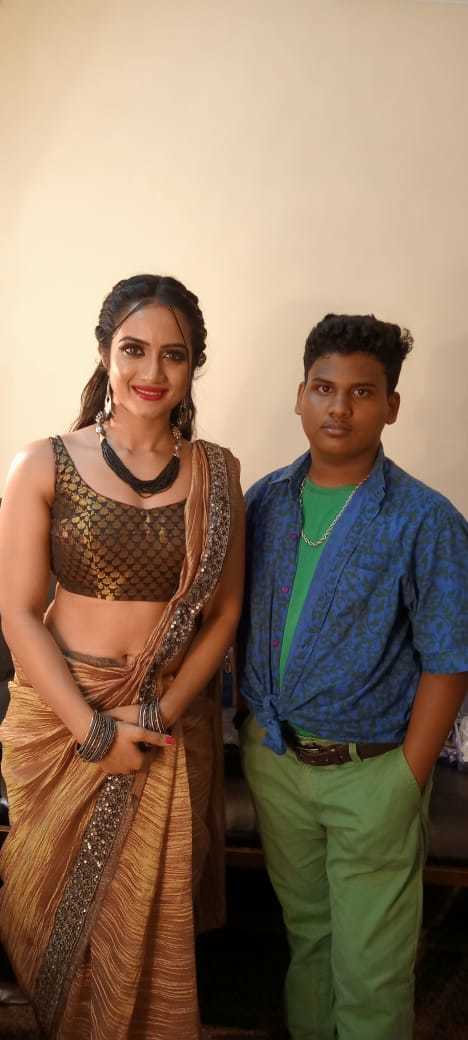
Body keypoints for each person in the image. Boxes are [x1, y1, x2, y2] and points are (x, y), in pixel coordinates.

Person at [0, 273, 244, 1039]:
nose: (152, 371)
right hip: (63, 722)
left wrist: (159, 714)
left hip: (167, 721)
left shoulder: (218, 475)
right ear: (106, 352)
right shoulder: (43, 463)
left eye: (175, 354)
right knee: (47, 915)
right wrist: (95, 731)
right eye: (134, 349)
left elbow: (224, 614)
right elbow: (17, 613)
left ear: (194, 365)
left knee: (148, 925)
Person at [238, 314, 468, 1040]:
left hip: (371, 773)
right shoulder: (264, 501)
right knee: (308, 940)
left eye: (362, 392)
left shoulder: (426, 520)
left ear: (391, 405)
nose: (339, 408)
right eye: (323, 388)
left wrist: (407, 775)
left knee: (371, 971)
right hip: (277, 761)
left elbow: (450, 657)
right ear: (299, 396)